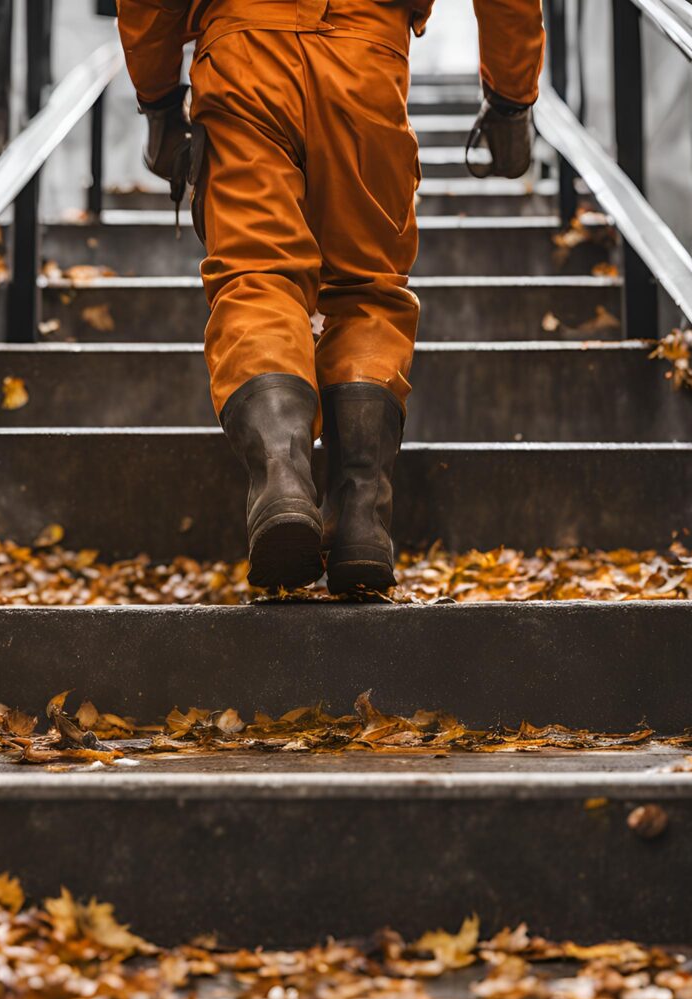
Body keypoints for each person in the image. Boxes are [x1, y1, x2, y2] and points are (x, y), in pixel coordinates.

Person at [117, 0, 545, 593]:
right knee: (366, 289)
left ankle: (282, 481)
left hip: (243, 56)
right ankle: (362, 518)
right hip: (366, 59)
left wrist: (159, 98)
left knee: (256, 275)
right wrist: (511, 97)